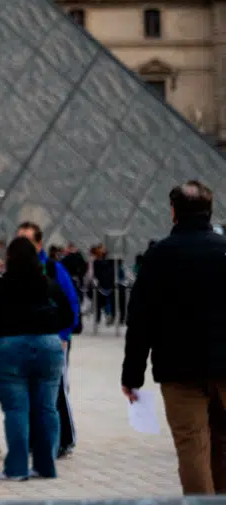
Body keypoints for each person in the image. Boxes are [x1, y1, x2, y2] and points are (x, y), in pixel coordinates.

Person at [122, 180, 226, 495]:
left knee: (191, 446)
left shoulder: (157, 256)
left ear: (173, 212)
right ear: (210, 211)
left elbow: (140, 320)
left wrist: (132, 374)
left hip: (178, 371)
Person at [0, 236, 74, 482]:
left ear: (9, 259)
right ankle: (46, 465)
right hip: (47, 348)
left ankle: (17, 468)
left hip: (7, 349)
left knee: (16, 410)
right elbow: (68, 317)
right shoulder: (49, 285)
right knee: (47, 408)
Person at [17, 221, 79, 458]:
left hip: (54, 340)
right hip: (26, 339)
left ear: (39, 243)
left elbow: (71, 303)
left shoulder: (54, 269)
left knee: (57, 391)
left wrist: (64, 335)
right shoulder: (15, 270)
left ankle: (65, 439)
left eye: (27, 240)